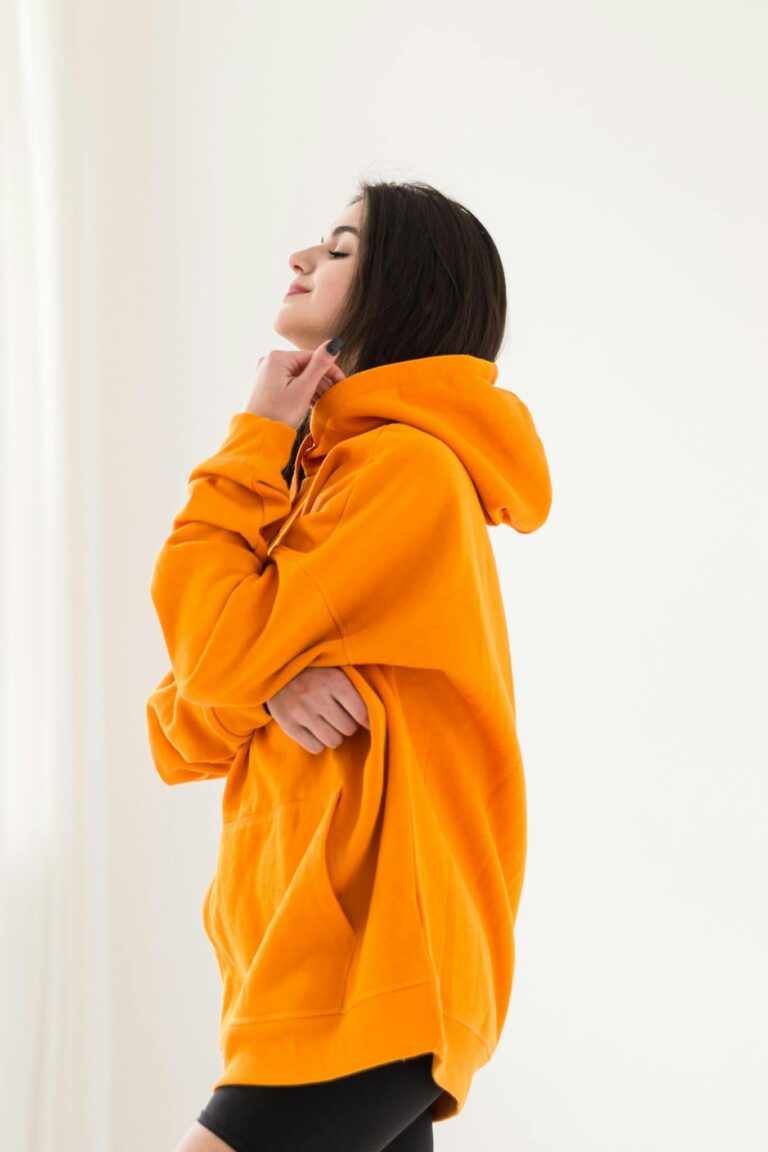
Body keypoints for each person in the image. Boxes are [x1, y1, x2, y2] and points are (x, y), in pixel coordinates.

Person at [147, 179, 553, 1152]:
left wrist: (253, 436)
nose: (299, 260)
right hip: (303, 967)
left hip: (369, 969)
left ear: (404, 291)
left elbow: (208, 671)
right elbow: (181, 727)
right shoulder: (317, 482)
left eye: (337, 248)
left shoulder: (402, 471)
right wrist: (266, 676)